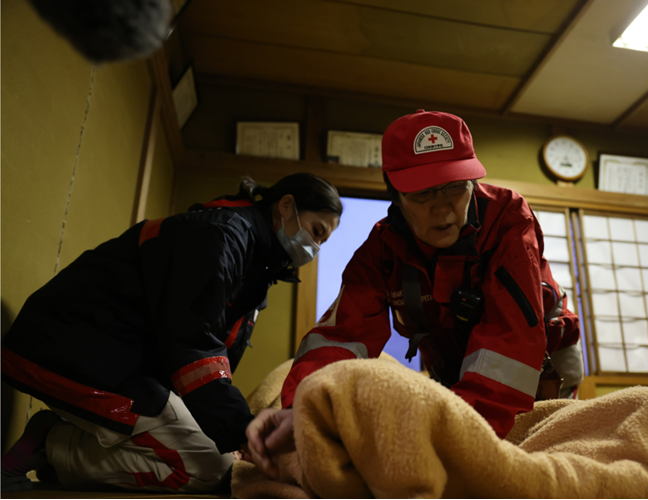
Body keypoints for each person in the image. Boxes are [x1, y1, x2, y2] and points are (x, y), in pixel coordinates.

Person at [247, 110, 582, 476]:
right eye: (422, 193)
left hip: (539, 360)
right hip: (451, 365)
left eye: (456, 185)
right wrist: (302, 410)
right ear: (395, 194)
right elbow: (342, 336)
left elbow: (511, 341)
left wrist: (449, 433)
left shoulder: (508, 220)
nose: (442, 207)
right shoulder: (381, 248)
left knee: (527, 462)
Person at [0, 173, 342, 493]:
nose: (314, 247)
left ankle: (60, 446)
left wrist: (228, 429)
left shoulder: (254, 263)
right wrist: (239, 429)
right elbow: (192, 342)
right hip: (71, 342)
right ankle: (53, 445)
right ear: (286, 206)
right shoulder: (222, 236)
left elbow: (202, 349)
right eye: (316, 231)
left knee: (216, 454)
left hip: (118, 356)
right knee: (214, 468)